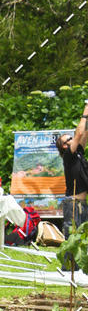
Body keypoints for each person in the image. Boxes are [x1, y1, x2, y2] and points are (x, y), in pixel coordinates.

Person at [56, 101, 88, 236]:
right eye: (68, 139)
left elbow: (85, 133)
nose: (72, 139)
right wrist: (86, 107)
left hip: (82, 204)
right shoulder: (68, 155)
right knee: (73, 242)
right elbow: (79, 133)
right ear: (64, 146)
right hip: (73, 205)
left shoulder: (78, 154)